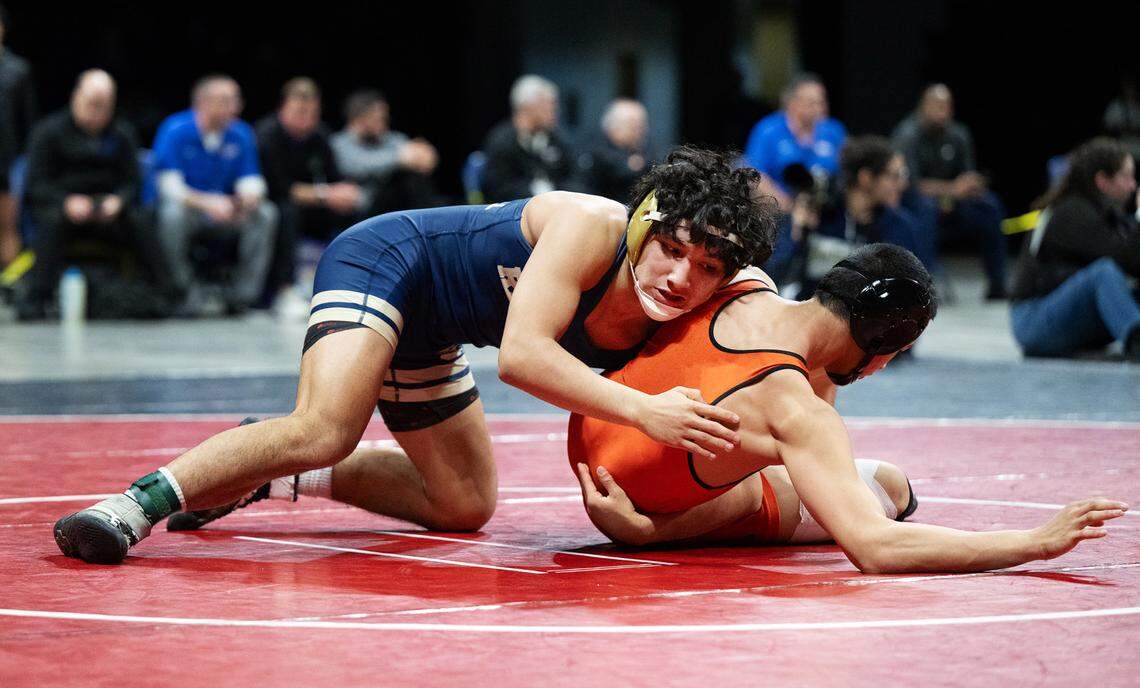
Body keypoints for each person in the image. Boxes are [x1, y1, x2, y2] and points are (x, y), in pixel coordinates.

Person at [53, 146, 780, 564]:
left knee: (464, 504)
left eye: (710, 268)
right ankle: (128, 506)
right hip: (390, 260)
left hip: (436, 330)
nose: (683, 279)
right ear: (643, 229)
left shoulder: (719, 297)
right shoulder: (591, 226)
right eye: (673, 251)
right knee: (326, 427)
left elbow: (782, 346)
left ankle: (269, 476)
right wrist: (643, 410)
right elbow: (524, 357)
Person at [569, 244, 1128, 573]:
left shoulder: (741, 281)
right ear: (885, 349)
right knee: (890, 491)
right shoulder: (799, 416)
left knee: (784, 447)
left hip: (592, 439)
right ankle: (675, 526)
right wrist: (1035, 541)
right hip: (638, 506)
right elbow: (876, 549)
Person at [17, 70, 175, 319]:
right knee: (50, 220)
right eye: (92, 103)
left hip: (108, 211)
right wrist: (66, 202)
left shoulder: (122, 133)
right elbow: (36, 185)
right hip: (64, 208)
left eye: (104, 106)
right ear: (76, 97)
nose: (97, 111)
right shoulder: (47, 132)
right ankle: (38, 297)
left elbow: (133, 182)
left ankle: (166, 293)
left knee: (142, 218)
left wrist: (119, 201)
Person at [152, 74, 277, 315]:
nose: (236, 107)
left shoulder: (240, 133)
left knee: (266, 213)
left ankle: (243, 297)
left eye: (236, 100)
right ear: (203, 102)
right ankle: (183, 291)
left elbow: (252, 180)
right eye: (227, 100)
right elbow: (169, 188)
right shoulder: (175, 129)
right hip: (191, 210)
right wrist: (209, 204)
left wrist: (245, 199)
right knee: (171, 215)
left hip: (227, 212)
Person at [1010, 137, 1140, 360]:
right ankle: (1137, 343)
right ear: (1102, 180)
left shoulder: (1108, 214)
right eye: (1126, 176)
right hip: (1032, 321)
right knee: (1104, 272)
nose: (1133, 185)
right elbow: (1124, 258)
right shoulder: (1069, 213)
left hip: (1061, 315)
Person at [769, 135, 927, 294]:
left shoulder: (900, 227)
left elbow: (915, 289)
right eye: (894, 176)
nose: (902, 184)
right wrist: (797, 234)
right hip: (812, 311)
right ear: (866, 178)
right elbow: (775, 276)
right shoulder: (818, 215)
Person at [892, 84, 1007, 299]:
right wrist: (953, 189)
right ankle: (924, 284)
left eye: (946, 106)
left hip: (953, 203)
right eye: (936, 106)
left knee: (990, 205)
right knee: (925, 207)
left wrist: (972, 185)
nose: (942, 112)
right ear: (922, 107)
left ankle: (997, 282)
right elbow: (910, 185)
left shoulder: (959, 135)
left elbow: (966, 178)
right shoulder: (907, 135)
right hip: (917, 205)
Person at [256, 77, 361, 313]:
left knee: (352, 211)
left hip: (313, 202)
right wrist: (326, 194)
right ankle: (284, 289)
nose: (307, 118)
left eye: (312, 112)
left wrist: (344, 192)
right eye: (300, 111)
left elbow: (335, 177)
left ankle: (352, 282)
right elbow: (280, 188)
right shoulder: (267, 135)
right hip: (277, 203)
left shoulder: (319, 135)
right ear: (283, 108)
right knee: (285, 211)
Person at [329, 89, 442, 216]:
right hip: (362, 211)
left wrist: (424, 156)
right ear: (359, 118)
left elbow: (422, 158)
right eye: (378, 118)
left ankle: (431, 220)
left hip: (396, 205)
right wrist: (399, 159)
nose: (384, 122)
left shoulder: (389, 138)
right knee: (401, 178)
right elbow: (354, 166)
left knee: (412, 179)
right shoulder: (339, 142)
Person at [742, 74, 846, 211]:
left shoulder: (834, 130)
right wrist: (789, 207)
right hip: (781, 211)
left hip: (827, 211)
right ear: (793, 103)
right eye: (812, 103)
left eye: (822, 102)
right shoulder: (768, 130)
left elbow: (847, 171)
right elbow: (754, 174)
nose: (820, 108)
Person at [481, 74, 577, 203]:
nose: (554, 111)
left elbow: (574, 175)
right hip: (515, 212)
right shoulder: (501, 141)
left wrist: (560, 195)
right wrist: (537, 195)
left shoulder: (557, 138)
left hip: (556, 208)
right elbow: (497, 187)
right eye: (547, 104)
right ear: (527, 107)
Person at [0, 3, 37, 266]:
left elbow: (28, 121)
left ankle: (6, 289)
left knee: (7, 227)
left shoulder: (18, 70)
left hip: (8, 161)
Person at [579, 99, 651, 203]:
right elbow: (614, 170)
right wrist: (628, 165)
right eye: (633, 125)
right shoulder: (595, 147)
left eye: (642, 125)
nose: (640, 130)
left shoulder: (645, 147)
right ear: (614, 125)